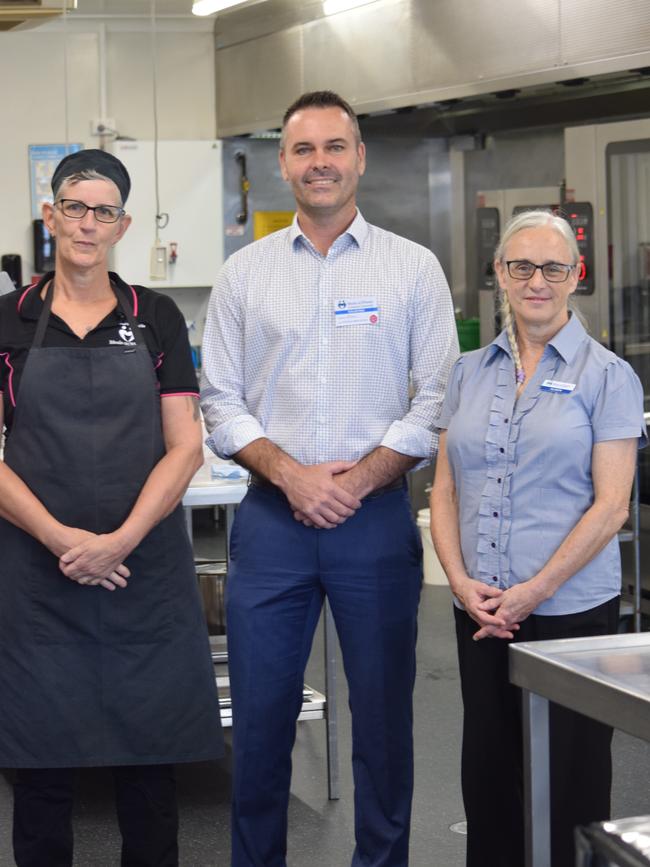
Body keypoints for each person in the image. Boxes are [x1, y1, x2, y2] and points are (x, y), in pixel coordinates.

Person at [200, 90, 458, 866]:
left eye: (334, 147)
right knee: (262, 723)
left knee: (382, 724)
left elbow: (436, 394)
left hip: (375, 520)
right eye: (304, 150)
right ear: (283, 163)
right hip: (274, 522)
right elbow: (220, 397)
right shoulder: (244, 274)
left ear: (360, 158)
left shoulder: (413, 268)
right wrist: (291, 475)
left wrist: (362, 478)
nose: (320, 163)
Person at [0, 149, 223, 867]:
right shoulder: (8, 320)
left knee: (150, 777)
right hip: (36, 576)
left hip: (143, 573)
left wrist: (119, 540)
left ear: (122, 224)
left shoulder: (155, 317)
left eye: (102, 211)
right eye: (74, 206)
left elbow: (184, 446)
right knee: (38, 782)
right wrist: (64, 537)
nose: (87, 223)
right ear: (50, 215)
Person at [430, 209, 647, 867]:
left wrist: (535, 590)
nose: (537, 281)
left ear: (576, 276)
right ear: (500, 273)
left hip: (570, 612)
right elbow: (444, 490)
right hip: (482, 609)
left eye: (553, 268)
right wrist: (463, 584)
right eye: (521, 266)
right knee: (489, 775)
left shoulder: (608, 375)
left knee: (572, 781)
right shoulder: (468, 372)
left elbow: (611, 507)